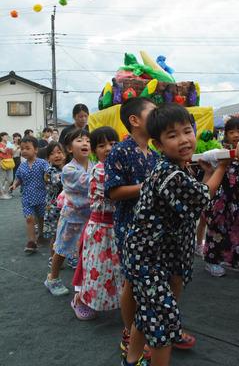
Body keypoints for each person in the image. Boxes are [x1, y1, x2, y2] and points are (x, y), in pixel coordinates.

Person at [122, 104, 230, 366]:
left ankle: (132, 359)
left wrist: (205, 172)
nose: (184, 139)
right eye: (172, 135)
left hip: (154, 254)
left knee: (148, 312)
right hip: (149, 258)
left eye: (187, 131)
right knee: (162, 325)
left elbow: (195, 192)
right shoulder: (169, 174)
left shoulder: (175, 167)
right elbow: (202, 197)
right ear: (159, 144)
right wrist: (221, 169)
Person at [105, 97, 158, 357]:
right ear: (134, 120)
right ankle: (129, 333)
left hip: (154, 228)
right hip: (130, 227)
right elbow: (113, 192)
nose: (159, 118)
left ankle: (148, 327)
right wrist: (149, 187)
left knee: (149, 280)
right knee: (132, 282)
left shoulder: (156, 153)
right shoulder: (120, 151)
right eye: (153, 113)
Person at [71, 127, 122, 320]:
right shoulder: (100, 169)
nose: (108, 148)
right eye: (102, 145)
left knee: (116, 268)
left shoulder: (118, 166)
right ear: (94, 150)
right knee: (96, 269)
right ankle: (81, 299)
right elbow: (117, 195)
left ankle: (113, 300)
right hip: (101, 228)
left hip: (115, 226)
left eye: (113, 144)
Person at [44, 128, 94, 296]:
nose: (85, 143)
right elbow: (89, 183)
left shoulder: (94, 166)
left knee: (86, 251)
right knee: (61, 249)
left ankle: (85, 281)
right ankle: (52, 278)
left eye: (87, 140)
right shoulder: (68, 169)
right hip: (72, 217)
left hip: (90, 218)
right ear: (70, 148)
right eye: (79, 140)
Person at [203, 117, 239, 278]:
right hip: (223, 202)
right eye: (232, 132)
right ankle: (211, 261)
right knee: (216, 231)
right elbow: (204, 157)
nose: (236, 135)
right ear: (226, 135)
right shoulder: (221, 152)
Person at [10, 136, 49, 252]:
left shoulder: (43, 163)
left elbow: (49, 174)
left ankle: (41, 235)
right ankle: (31, 242)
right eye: (22, 149)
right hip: (27, 196)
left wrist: (48, 178)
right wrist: (15, 185)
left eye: (27, 148)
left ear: (36, 150)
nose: (24, 151)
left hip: (41, 196)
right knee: (29, 219)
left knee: (41, 218)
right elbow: (18, 178)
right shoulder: (22, 166)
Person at [43, 141, 67, 264]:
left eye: (59, 152)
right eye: (52, 154)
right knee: (56, 235)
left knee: (67, 233)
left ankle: (68, 257)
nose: (56, 155)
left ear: (65, 154)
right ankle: (53, 258)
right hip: (54, 209)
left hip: (67, 207)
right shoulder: (50, 171)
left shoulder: (68, 168)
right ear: (48, 158)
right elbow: (60, 181)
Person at [0, 132, 15, 199]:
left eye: (7, 136)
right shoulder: (0, 144)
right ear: (2, 137)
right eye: (5, 136)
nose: (6, 137)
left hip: (10, 162)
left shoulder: (9, 144)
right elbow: (3, 151)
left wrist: (12, 148)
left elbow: (12, 153)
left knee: (10, 179)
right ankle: (2, 194)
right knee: (2, 179)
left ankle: (5, 192)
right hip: (2, 162)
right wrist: (8, 146)